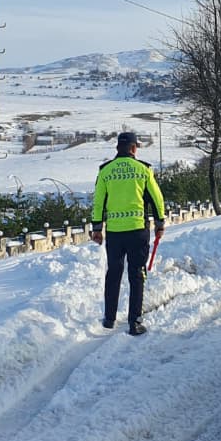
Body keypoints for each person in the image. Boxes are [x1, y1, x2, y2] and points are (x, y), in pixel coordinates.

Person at [90, 131, 166, 336]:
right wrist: (160, 223)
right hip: (138, 231)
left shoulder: (105, 171)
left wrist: (97, 228)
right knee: (137, 275)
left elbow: (98, 203)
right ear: (134, 148)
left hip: (114, 233)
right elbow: (157, 199)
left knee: (113, 273)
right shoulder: (143, 170)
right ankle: (135, 322)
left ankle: (109, 318)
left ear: (117, 148)